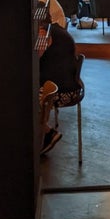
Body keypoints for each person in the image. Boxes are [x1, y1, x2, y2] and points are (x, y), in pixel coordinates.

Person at [39, 23, 83, 155]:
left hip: (61, 91)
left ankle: (47, 133)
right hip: (70, 86)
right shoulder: (57, 30)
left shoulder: (43, 34)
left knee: (22, 98)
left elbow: (33, 58)